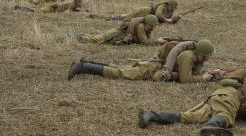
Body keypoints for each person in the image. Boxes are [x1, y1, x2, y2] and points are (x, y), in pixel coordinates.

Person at [137, 61, 246, 136]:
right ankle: (211, 126)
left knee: (189, 117)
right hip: (229, 99)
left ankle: (151, 115)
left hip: (219, 95)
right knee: (225, 117)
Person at [67, 39, 215, 84]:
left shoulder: (193, 56)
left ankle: (87, 62)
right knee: (120, 73)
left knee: (120, 67)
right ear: (202, 54)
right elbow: (186, 79)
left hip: (154, 66)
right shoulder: (188, 57)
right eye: (209, 54)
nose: (210, 57)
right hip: (151, 69)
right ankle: (83, 67)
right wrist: (202, 78)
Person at [76, 14, 164, 45]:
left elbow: (146, 38)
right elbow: (144, 42)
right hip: (117, 34)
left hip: (119, 34)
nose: (152, 28)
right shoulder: (141, 26)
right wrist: (158, 41)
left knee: (100, 37)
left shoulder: (145, 27)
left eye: (153, 26)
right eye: (151, 26)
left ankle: (83, 35)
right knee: (98, 40)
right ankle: (80, 37)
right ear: (146, 23)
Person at [88, 0, 181, 24]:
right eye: (172, 7)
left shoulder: (171, 11)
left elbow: (169, 18)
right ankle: (98, 16)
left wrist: (175, 19)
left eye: (174, 8)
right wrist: (167, 20)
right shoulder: (162, 6)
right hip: (143, 11)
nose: (173, 9)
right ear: (168, 5)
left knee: (124, 17)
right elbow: (158, 15)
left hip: (146, 16)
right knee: (124, 17)